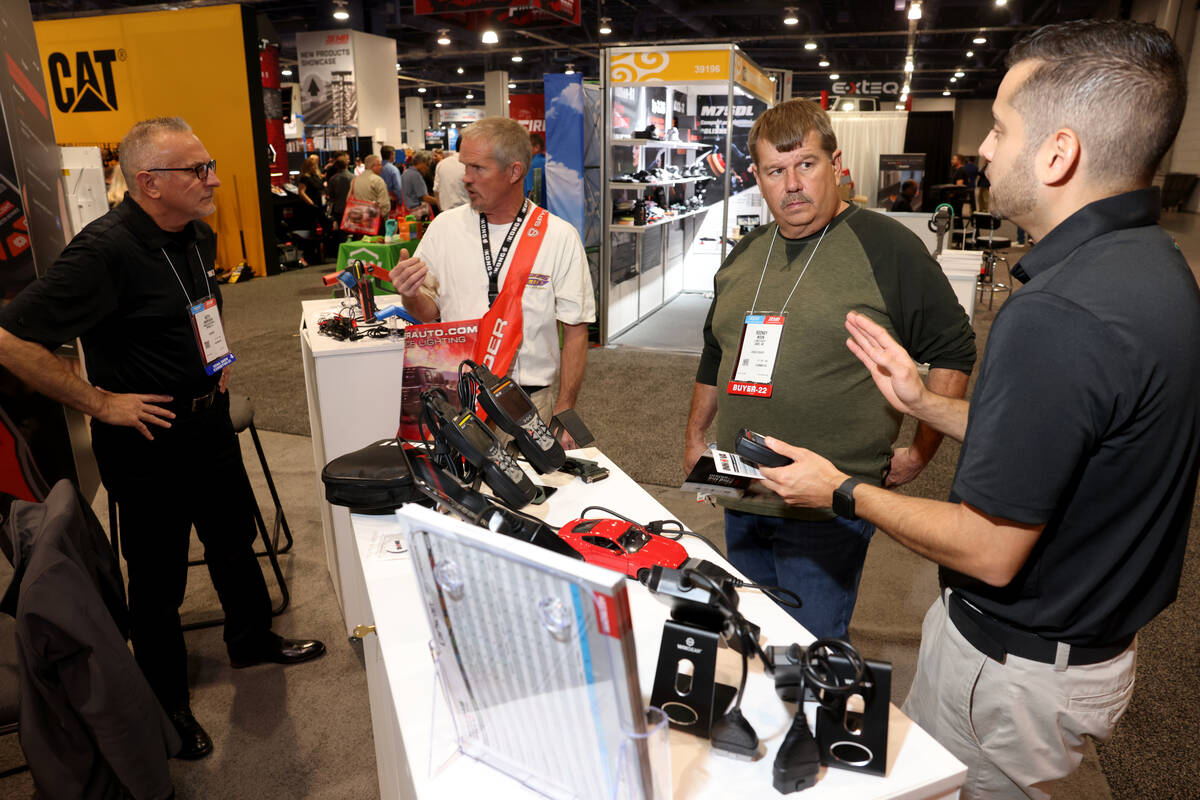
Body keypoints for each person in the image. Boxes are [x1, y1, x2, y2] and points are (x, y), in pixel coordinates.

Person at [751, 20, 1199, 798]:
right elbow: (1068, 448)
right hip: (1077, 654)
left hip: (1013, 674)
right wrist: (927, 404)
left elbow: (990, 549)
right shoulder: (1155, 268)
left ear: (1058, 153)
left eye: (998, 127)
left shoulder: (1059, 313)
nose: (982, 149)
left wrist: (844, 491)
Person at [0, 117, 326, 762]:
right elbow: (10, 338)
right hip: (146, 438)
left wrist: (218, 357)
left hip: (206, 419)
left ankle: (251, 638)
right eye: (196, 171)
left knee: (234, 537)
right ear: (148, 183)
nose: (212, 180)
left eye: (208, 167)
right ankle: (165, 702)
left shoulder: (192, 234)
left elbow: (197, 307)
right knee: (159, 577)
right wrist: (97, 401)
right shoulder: (102, 252)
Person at [683, 98, 976, 640]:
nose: (792, 184)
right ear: (758, 178)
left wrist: (920, 450)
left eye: (806, 165)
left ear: (835, 165)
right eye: (776, 170)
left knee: (809, 650)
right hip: (742, 486)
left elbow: (952, 348)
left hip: (828, 501)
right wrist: (697, 435)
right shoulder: (746, 252)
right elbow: (715, 350)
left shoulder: (888, 248)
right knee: (748, 634)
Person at [388, 116, 595, 433]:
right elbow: (429, 313)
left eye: (477, 168)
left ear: (514, 171)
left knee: (531, 483)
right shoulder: (444, 228)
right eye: (464, 167)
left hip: (530, 402)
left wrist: (566, 409)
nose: (465, 179)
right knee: (458, 483)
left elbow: (576, 329)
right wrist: (410, 293)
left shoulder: (558, 236)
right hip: (458, 399)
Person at [350, 154, 390, 218]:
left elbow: (349, 199)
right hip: (374, 221)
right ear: (373, 166)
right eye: (379, 164)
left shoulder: (354, 180)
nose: (381, 167)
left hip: (358, 220)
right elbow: (385, 205)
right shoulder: (378, 181)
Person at [401, 150, 439, 216]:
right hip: (416, 211)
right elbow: (425, 197)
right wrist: (439, 202)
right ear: (419, 162)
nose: (427, 168)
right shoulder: (416, 175)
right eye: (427, 165)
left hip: (408, 210)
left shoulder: (406, 172)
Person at [434, 142, 468, 211]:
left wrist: (442, 212)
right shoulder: (469, 163)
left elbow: (436, 191)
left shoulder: (441, 164)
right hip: (468, 212)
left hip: (446, 212)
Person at [296, 154, 325, 229]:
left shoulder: (316, 176)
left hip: (319, 202)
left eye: (315, 165)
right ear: (308, 166)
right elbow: (301, 192)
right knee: (313, 226)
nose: (315, 167)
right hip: (311, 204)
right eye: (313, 165)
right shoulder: (305, 177)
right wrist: (311, 203)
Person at [326, 153, 352, 227]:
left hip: (338, 208)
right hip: (351, 208)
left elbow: (331, 195)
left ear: (337, 166)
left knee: (341, 229)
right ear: (347, 164)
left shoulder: (333, 179)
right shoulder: (354, 178)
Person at [524, 132, 547, 206]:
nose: (525, 151)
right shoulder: (547, 162)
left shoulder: (533, 164)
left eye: (527, 147)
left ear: (536, 147)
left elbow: (532, 196)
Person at [380, 145, 404, 211]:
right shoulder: (393, 170)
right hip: (391, 202)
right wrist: (401, 202)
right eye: (394, 154)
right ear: (391, 155)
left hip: (378, 201)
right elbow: (398, 188)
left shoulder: (377, 167)